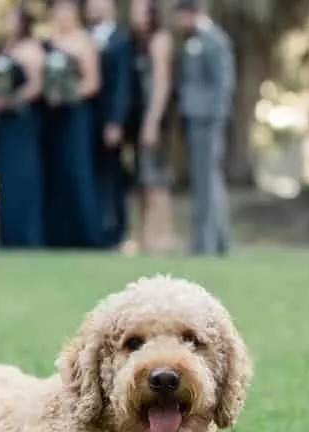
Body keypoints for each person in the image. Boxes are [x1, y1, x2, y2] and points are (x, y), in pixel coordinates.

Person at [174, 0, 235, 255]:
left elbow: (223, 84)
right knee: (207, 179)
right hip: (194, 118)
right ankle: (219, 240)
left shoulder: (214, 41)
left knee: (206, 181)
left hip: (208, 120)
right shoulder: (193, 40)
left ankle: (204, 244)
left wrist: (215, 118)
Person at [42, 0, 102, 248]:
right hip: (52, 116)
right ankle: (59, 235)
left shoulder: (84, 41)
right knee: (56, 172)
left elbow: (93, 82)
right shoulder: (50, 42)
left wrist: (69, 95)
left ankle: (87, 235)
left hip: (76, 115)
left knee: (78, 171)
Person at [0, 7, 45, 249]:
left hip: (23, 119)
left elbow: (36, 85)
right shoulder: (6, 48)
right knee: (7, 176)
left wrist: (11, 100)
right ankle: (8, 234)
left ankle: (27, 235)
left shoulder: (31, 49)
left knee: (23, 175)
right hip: (6, 123)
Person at [129, 0, 179, 254]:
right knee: (144, 180)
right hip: (142, 119)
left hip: (156, 120)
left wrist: (152, 122)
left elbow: (162, 84)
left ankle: (161, 235)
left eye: (138, 10)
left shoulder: (160, 40)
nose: (133, 15)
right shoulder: (140, 42)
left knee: (157, 179)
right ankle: (146, 236)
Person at [88, 0, 132, 249]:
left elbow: (121, 85)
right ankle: (98, 230)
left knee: (114, 178)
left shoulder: (120, 40)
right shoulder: (88, 36)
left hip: (109, 121)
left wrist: (116, 121)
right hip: (87, 122)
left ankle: (117, 233)